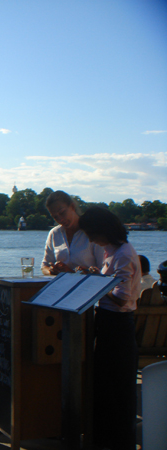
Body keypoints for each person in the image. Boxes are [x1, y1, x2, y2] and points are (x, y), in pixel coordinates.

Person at [78, 206, 141, 450]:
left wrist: (98, 282)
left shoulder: (123, 253)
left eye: (92, 234)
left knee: (119, 388)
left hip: (118, 326)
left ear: (103, 230)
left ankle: (120, 442)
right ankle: (104, 438)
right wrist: (98, 276)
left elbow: (122, 297)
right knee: (104, 386)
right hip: (107, 323)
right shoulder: (110, 251)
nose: (91, 239)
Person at [41, 190, 104, 275]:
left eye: (62, 213)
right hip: (62, 287)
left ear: (72, 206)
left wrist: (72, 272)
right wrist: (51, 270)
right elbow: (44, 266)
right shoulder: (54, 233)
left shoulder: (93, 232)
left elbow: (104, 270)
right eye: (55, 217)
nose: (60, 219)